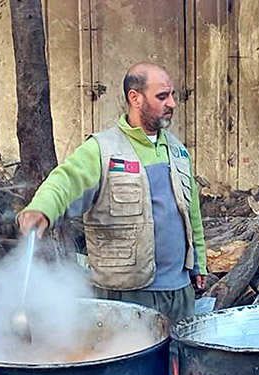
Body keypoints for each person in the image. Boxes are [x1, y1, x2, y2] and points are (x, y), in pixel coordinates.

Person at [16, 62, 207, 324]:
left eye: (172, 95)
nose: (172, 103)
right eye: (162, 96)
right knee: (133, 363)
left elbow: (191, 212)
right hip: (127, 297)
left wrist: (198, 264)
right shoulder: (102, 149)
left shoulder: (177, 150)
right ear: (135, 98)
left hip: (179, 292)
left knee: (179, 363)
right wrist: (42, 209)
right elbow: (65, 181)